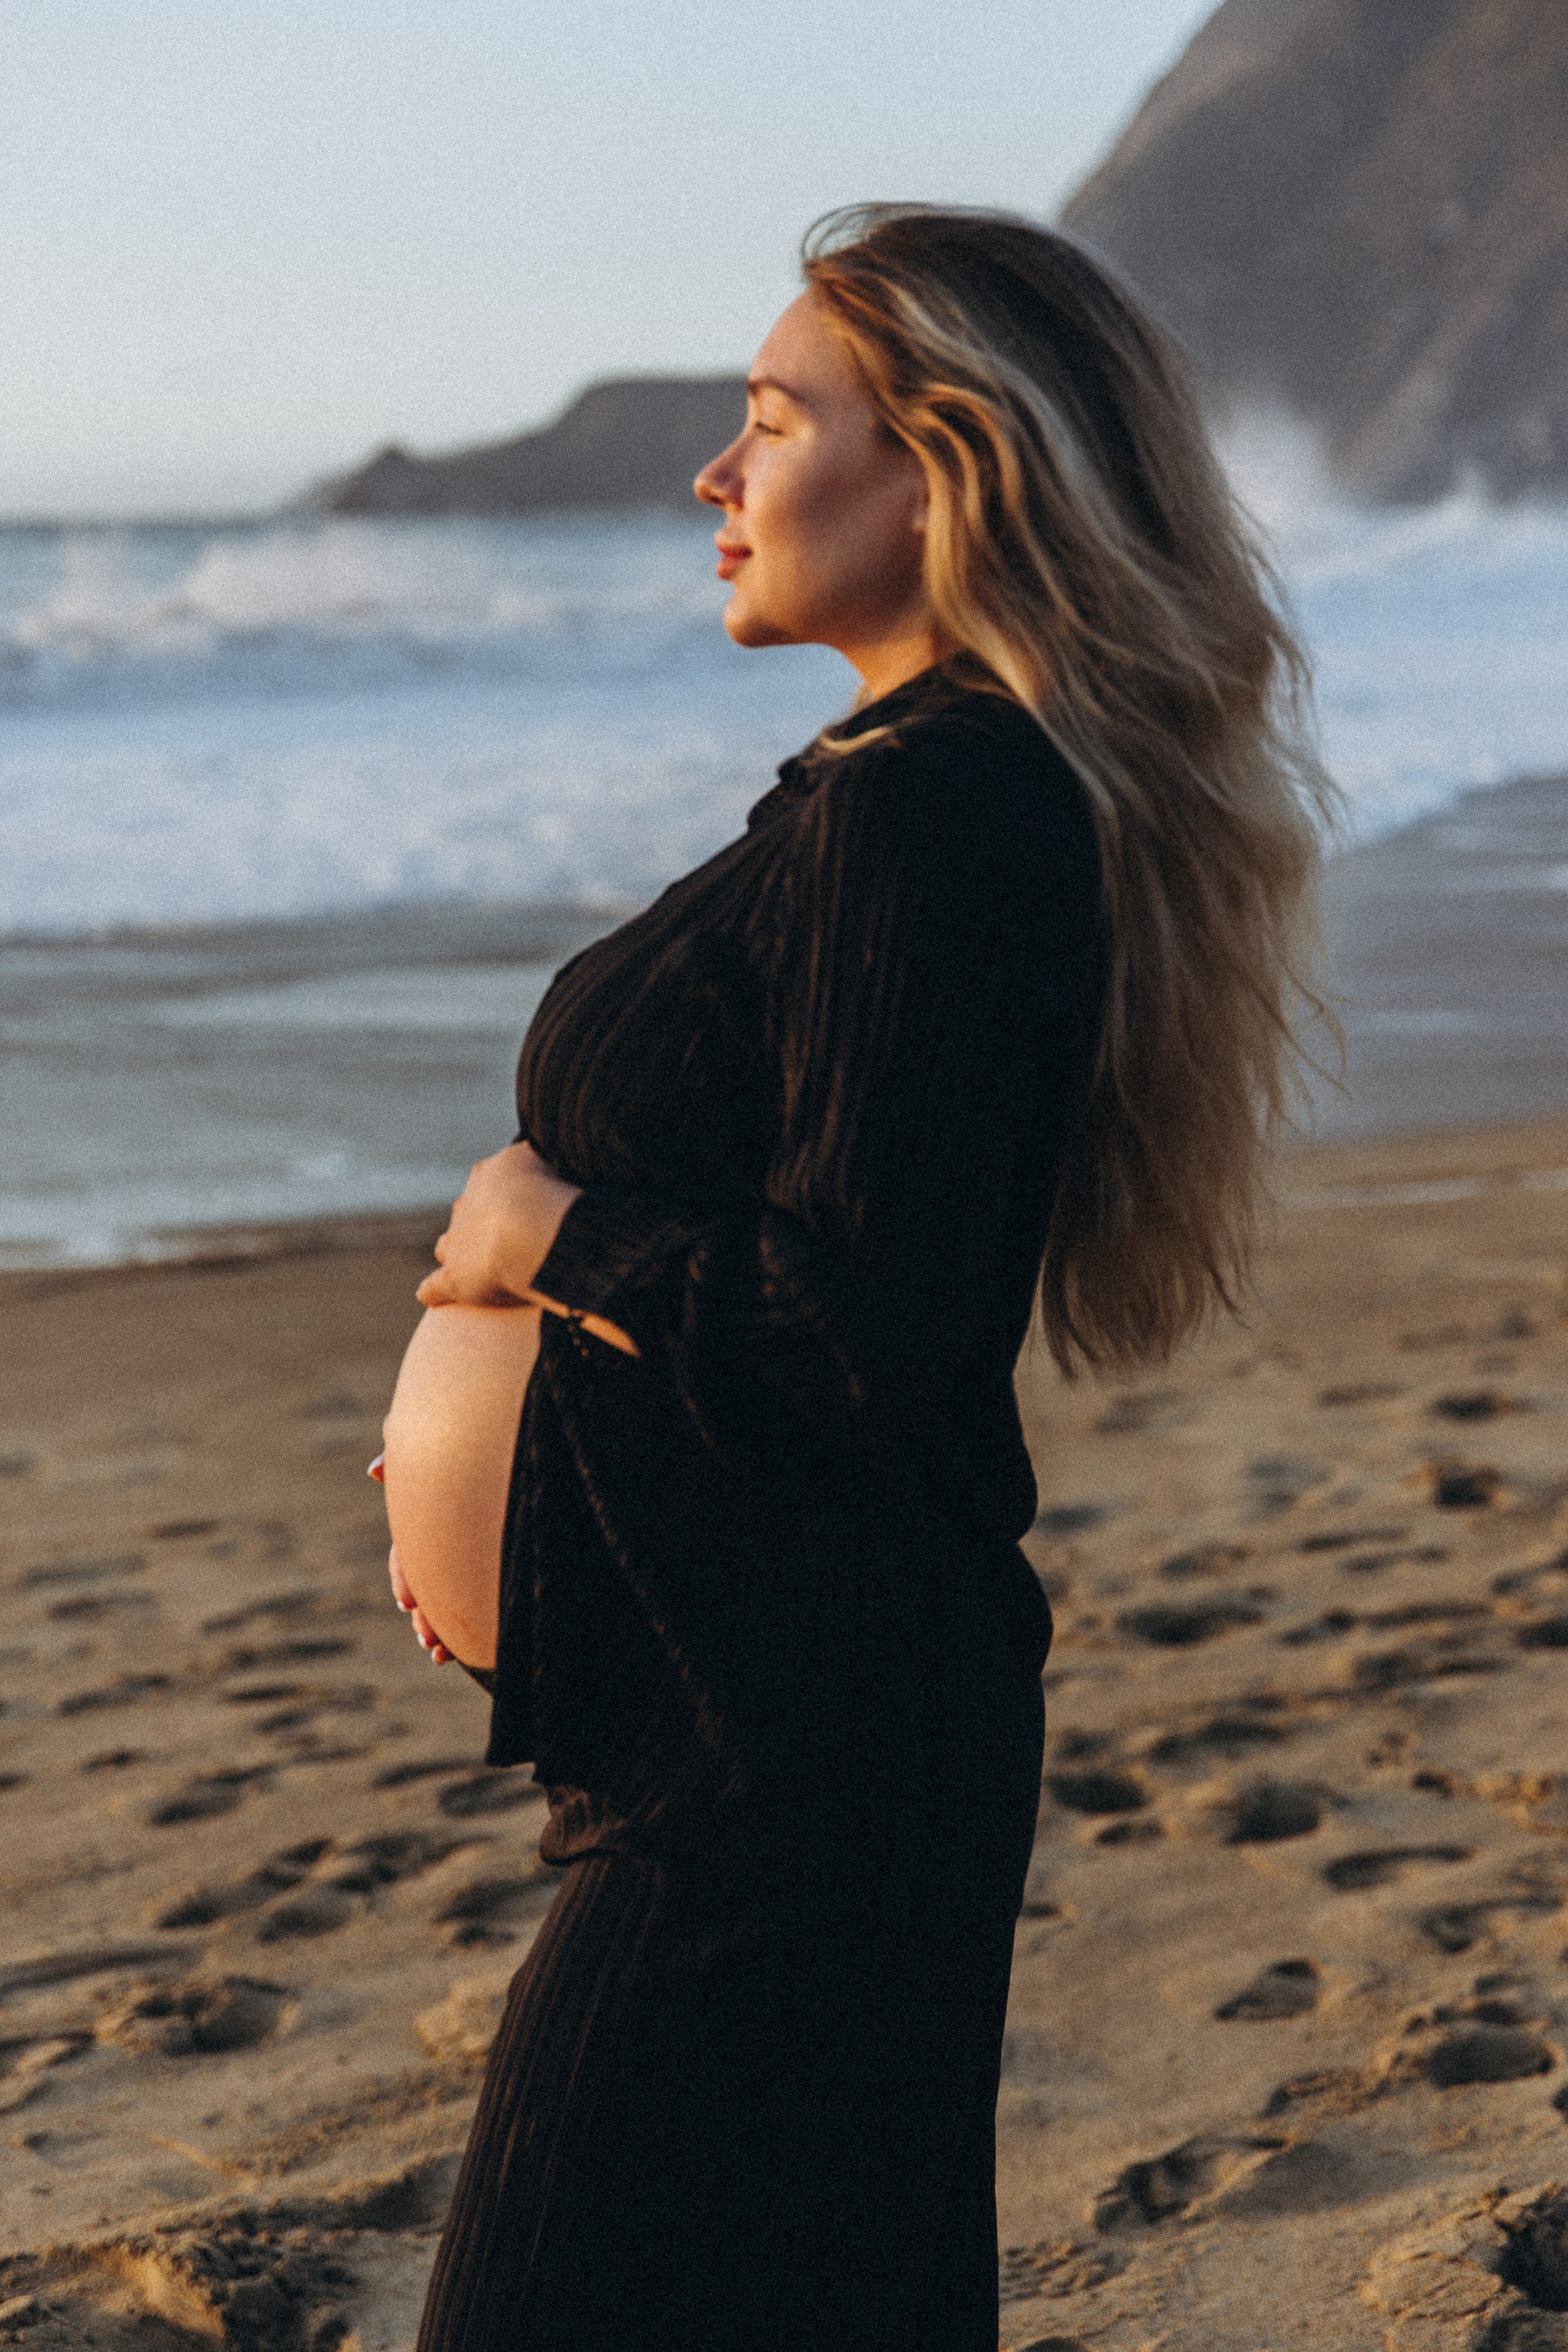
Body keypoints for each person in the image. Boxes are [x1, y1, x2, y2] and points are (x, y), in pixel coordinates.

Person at [380, 204, 1334, 2352]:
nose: (716, 479)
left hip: (782, 1773)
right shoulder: (914, 792)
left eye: (768, 421)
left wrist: (543, 1245)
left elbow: (861, 1339)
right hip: (777, 1739)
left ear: (948, 466)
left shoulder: (939, 817)